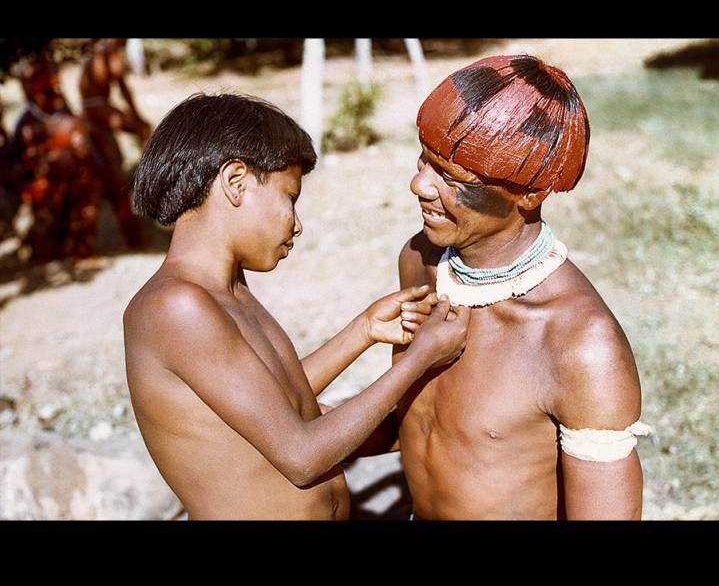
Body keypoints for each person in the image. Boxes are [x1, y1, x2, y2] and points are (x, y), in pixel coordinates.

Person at [123, 93, 470, 520]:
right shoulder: (175, 307)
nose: (297, 223)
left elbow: (280, 401)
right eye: (290, 197)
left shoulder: (229, 291)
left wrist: (363, 332)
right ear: (235, 182)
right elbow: (302, 457)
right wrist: (416, 361)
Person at [376, 54, 649, 520]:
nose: (418, 184)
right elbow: (427, 425)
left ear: (530, 192)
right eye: (424, 159)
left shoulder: (581, 346)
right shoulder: (420, 261)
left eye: (452, 178)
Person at [13, 54, 104, 260]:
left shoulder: (68, 118)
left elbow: (91, 159)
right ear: (33, 91)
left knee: (90, 195)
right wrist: (28, 188)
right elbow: (14, 167)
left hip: (75, 188)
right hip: (44, 197)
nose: (55, 92)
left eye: (56, 86)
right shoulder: (26, 125)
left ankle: (81, 247)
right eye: (47, 88)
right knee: (44, 253)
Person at [79, 38, 149, 248]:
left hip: (92, 108)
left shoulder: (97, 50)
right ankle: (152, 174)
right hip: (97, 108)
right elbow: (123, 87)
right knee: (143, 129)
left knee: (113, 169)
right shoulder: (107, 51)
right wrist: (136, 117)